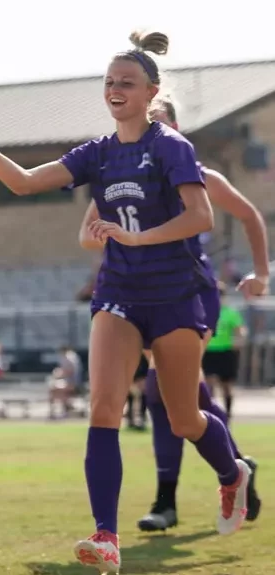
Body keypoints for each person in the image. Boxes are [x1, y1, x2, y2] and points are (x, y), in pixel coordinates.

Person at [0, 30, 251, 574]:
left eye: (126, 83)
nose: (115, 89)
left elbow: (201, 217)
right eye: (109, 82)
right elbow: (24, 182)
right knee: (103, 406)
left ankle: (232, 474)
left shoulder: (172, 147)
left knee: (183, 419)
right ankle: (106, 535)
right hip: (120, 296)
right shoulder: (98, 154)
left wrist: (138, 238)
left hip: (176, 297)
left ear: (151, 92)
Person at [78, 95, 267, 532]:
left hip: (190, 293)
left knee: (165, 392)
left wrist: (260, 273)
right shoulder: (119, 174)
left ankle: (167, 500)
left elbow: (250, 215)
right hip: (135, 294)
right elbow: (88, 237)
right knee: (184, 400)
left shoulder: (199, 177)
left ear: (176, 133)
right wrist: (121, 235)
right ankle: (236, 465)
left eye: (158, 126)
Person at [204, 283, 247, 420]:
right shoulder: (205, 311)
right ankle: (211, 412)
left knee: (226, 385)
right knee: (209, 384)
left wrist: (238, 340)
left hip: (226, 351)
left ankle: (228, 414)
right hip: (209, 351)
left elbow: (240, 330)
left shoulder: (230, 313)